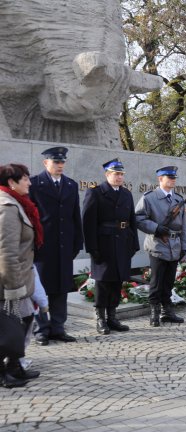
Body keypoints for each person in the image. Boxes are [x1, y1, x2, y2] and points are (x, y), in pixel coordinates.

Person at [29, 146, 83, 345]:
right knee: (40, 289)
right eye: (56, 162)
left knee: (61, 288)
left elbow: (75, 215)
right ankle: (41, 330)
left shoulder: (70, 185)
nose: (60, 165)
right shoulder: (35, 184)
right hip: (42, 247)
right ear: (46, 163)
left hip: (64, 246)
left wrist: (77, 241)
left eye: (62, 162)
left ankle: (58, 328)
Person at [82, 159, 139, 335]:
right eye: (116, 174)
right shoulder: (96, 193)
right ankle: (100, 317)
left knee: (117, 281)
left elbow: (132, 221)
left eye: (121, 174)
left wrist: (133, 244)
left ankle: (112, 317)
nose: (119, 177)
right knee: (103, 282)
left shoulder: (127, 194)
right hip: (103, 243)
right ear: (107, 175)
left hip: (122, 242)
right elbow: (88, 222)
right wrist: (92, 248)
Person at [0, 163, 42, 387]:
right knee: (8, 326)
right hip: (9, 282)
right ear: (11, 182)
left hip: (21, 278)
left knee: (24, 320)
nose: (29, 182)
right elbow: (7, 251)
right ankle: (3, 372)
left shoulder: (18, 203)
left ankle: (14, 366)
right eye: (25, 178)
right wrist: (14, 288)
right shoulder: (6, 207)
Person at [135, 166, 186, 327]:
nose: (172, 180)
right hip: (158, 245)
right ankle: (154, 312)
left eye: (174, 178)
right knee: (156, 282)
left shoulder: (177, 199)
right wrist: (156, 228)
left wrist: (185, 246)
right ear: (160, 179)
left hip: (175, 246)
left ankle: (167, 311)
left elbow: (184, 225)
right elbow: (138, 218)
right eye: (169, 177)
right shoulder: (149, 198)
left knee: (169, 282)